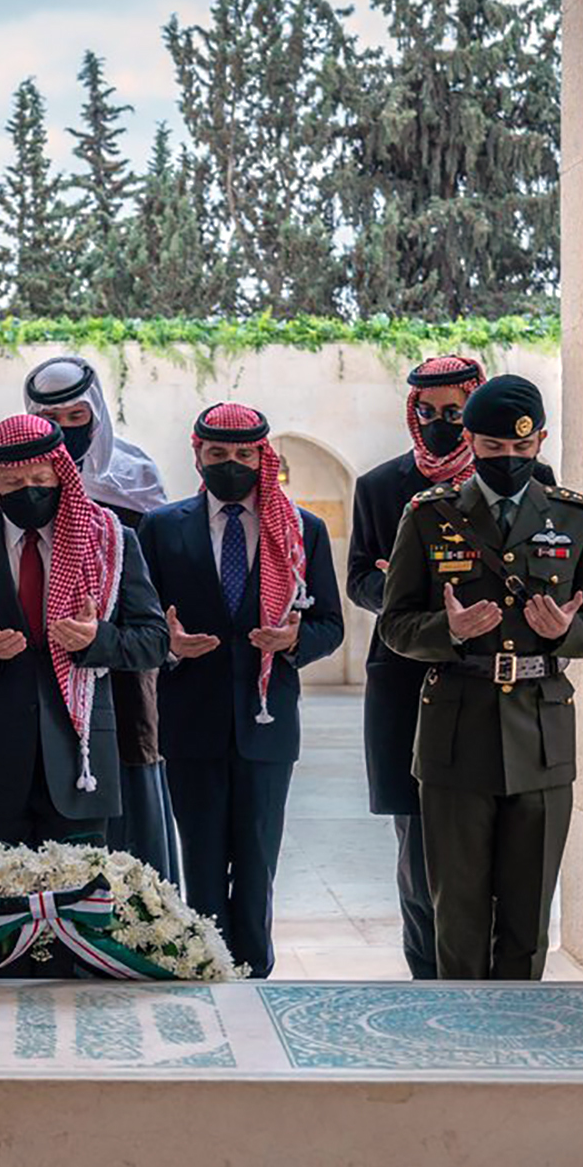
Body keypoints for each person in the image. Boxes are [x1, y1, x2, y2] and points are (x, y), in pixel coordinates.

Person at [378, 375, 583, 980]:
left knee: (527, 919)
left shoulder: (574, 516)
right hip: (456, 731)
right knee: (457, 915)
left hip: (540, 733)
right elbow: (395, 625)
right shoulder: (429, 516)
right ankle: (461, 1029)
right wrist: (450, 630)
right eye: (493, 448)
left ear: (540, 441)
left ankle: (519, 1028)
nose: (508, 459)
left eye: (521, 448)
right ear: (470, 441)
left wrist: (565, 632)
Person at [346, 356, 556, 980]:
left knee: (503, 852)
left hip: (496, 689)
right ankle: (428, 980)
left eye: (453, 412)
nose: (440, 423)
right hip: (408, 680)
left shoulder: (537, 480)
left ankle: (497, 985)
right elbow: (360, 576)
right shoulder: (381, 487)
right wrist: (410, 593)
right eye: (428, 412)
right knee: (420, 856)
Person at [138, 404, 345, 978]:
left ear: (263, 456)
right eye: (219, 454)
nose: (232, 464)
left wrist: (295, 640)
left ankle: (255, 971)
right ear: (198, 454)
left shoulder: (301, 530)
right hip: (191, 719)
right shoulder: (161, 528)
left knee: (257, 860)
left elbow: (330, 624)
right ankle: (206, 964)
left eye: (244, 454)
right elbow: (142, 624)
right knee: (201, 859)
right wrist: (169, 645)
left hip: (266, 721)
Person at [0, 415, 168, 848]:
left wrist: (97, 640)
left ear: (60, 473)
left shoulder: (109, 543)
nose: (29, 489)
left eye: (40, 479)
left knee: (78, 890)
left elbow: (154, 642)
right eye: (13, 481)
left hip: (80, 763)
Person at [21, 356, 179, 883]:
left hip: (123, 672)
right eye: (52, 419)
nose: (66, 430)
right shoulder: (17, 482)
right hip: (42, 669)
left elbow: (154, 593)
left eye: (76, 417)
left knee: (128, 795)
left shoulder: (135, 477)